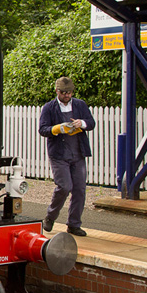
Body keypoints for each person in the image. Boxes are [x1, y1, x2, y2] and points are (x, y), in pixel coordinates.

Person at [38, 76, 95, 237]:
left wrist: (81, 123)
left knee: (79, 189)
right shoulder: (49, 108)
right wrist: (57, 129)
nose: (67, 95)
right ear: (57, 91)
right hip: (59, 154)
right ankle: (50, 216)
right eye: (64, 92)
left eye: (69, 92)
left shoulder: (80, 105)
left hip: (78, 152)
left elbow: (91, 123)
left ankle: (74, 224)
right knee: (64, 187)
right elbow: (43, 129)